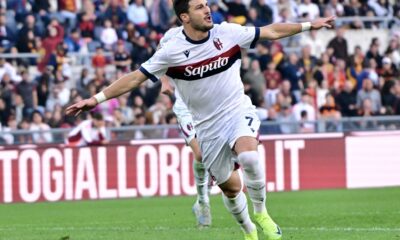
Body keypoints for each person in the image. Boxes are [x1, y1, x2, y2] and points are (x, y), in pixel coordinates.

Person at [66, 1, 334, 238]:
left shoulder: (227, 33)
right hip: (207, 128)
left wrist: (309, 25)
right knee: (231, 188)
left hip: (237, 111)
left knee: (250, 157)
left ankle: (262, 213)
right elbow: (136, 77)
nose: (207, 10)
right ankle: (248, 231)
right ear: (184, 16)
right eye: (199, 7)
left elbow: (271, 31)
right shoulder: (171, 50)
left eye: (207, 5)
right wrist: (96, 99)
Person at [161, 75, 212, 227]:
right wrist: (165, 81)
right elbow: (160, 56)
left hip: (209, 101)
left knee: (215, 156)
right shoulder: (171, 50)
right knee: (201, 154)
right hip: (184, 105)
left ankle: (201, 201)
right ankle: (203, 202)